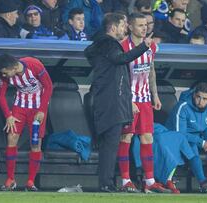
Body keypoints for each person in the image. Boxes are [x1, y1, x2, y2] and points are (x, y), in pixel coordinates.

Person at [84, 12, 152, 192]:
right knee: (110, 144)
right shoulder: (108, 43)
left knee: (110, 144)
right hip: (110, 101)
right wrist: (144, 47)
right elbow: (120, 59)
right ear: (113, 28)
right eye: (122, 26)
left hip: (107, 100)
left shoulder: (102, 44)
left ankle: (107, 181)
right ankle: (106, 183)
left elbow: (91, 53)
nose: (124, 29)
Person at [119, 13, 170, 193]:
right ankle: (125, 180)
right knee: (126, 138)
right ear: (130, 27)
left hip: (145, 99)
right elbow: (121, 78)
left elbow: (151, 71)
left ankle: (149, 181)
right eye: (140, 25)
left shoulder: (151, 47)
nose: (144, 28)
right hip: (128, 100)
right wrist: (128, 100)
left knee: (147, 138)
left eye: (146, 25)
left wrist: (155, 95)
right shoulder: (123, 47)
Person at [0, 54, 53, 191]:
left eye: (5, 72)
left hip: (38, 107)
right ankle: (10, 179)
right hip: (20, 106)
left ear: (14, 67)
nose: (4, 75)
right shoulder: (4, 75)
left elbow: (49, 86)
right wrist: (8, 115)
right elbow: (0, 95)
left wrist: (42, 110)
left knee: (35, 142)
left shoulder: (34, 65)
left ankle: (30, 181)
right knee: (12, 137)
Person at [165, 82, 207, 193]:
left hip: (198, 139)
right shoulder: (182, 106)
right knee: (191, 146)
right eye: (198, 97)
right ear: (193, 95)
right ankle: (203, 183)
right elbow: (179, 134)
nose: (200, 101)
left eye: (204, 99)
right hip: (178, 140)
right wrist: (202, 143)